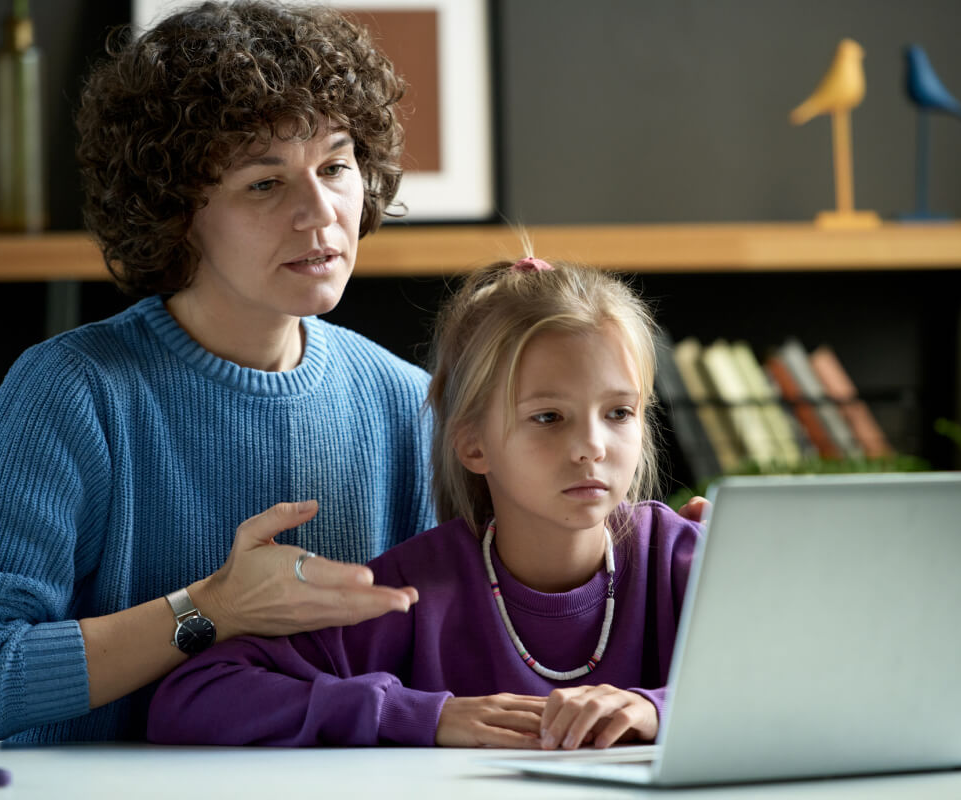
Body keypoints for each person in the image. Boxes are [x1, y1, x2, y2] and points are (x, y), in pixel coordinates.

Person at [0, 1, 435, 747]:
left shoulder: (407, 404)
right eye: (265, 183)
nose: (320, 213)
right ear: (176, 211)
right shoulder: (72, 393)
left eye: (336, 166)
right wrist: (213, 608)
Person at [146, 258, 705, 749]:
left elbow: (792, 680)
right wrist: (419, 715)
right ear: (472, 443)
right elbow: (194, 696)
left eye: (618, 412)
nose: (592, 447)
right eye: (547, 417)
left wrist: (659, 708)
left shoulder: (688, 560)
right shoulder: (410, 592)